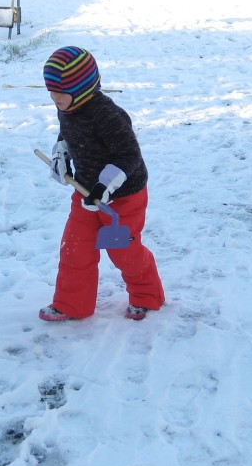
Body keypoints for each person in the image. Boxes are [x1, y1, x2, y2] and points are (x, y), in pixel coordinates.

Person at [39, 46, 165, 322]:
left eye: (60, 92)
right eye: (51, 91)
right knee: (75, 247)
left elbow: (128, 155)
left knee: (122, 250)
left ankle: (146, 295)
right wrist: (61, 158)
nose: (54, 98)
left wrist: (103, 187)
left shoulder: (108, 115)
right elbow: (67, 136)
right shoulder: (68, 107)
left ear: (83, 88)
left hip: (122, 200)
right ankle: (72, 304)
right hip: (85, 193)